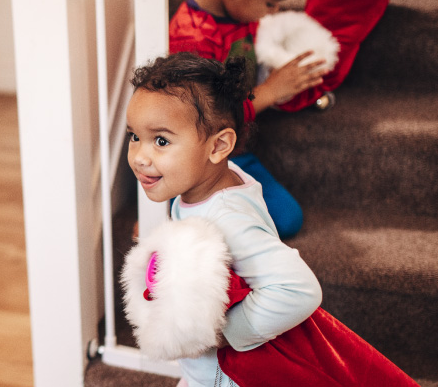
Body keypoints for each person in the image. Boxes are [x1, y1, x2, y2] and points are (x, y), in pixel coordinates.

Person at [170, 0, 438, 237]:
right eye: (271, 3)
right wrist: (271, 91)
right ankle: (184, 219)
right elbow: (203, 124)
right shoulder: (191, 39)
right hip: (209, 161)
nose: (273, 12)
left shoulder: (239, 10)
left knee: (286, 216)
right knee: (284, 220)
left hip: (237, 143)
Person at [125, 52, 322, 387]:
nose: (140, 157)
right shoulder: (203, 183)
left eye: (161, 141)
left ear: (218, 147)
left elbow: (298, 290)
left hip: (226, 376)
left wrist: (226, 332)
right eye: (134, 136)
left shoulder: (228, 218)